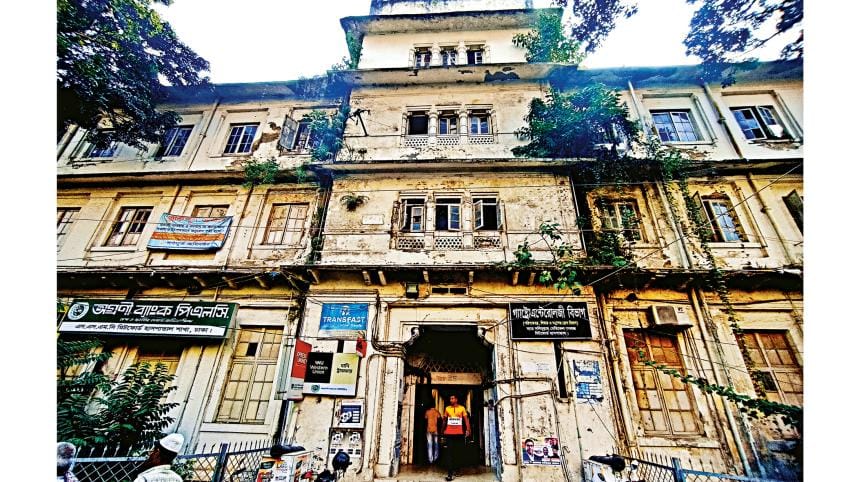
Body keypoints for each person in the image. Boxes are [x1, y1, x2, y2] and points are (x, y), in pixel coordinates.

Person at [441, 394, 470, 481]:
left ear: (456, 399)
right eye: (450, 398)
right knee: (449, 453)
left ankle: (457, 469)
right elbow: (445, 420)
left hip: (459, 434)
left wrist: (468, 430)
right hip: (449, 434)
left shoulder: (462, 408)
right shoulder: (447, 408)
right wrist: (442, 430)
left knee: (457, 452)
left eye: (452, 398)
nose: (451, 400)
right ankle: (450, 474)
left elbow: (466, 420)